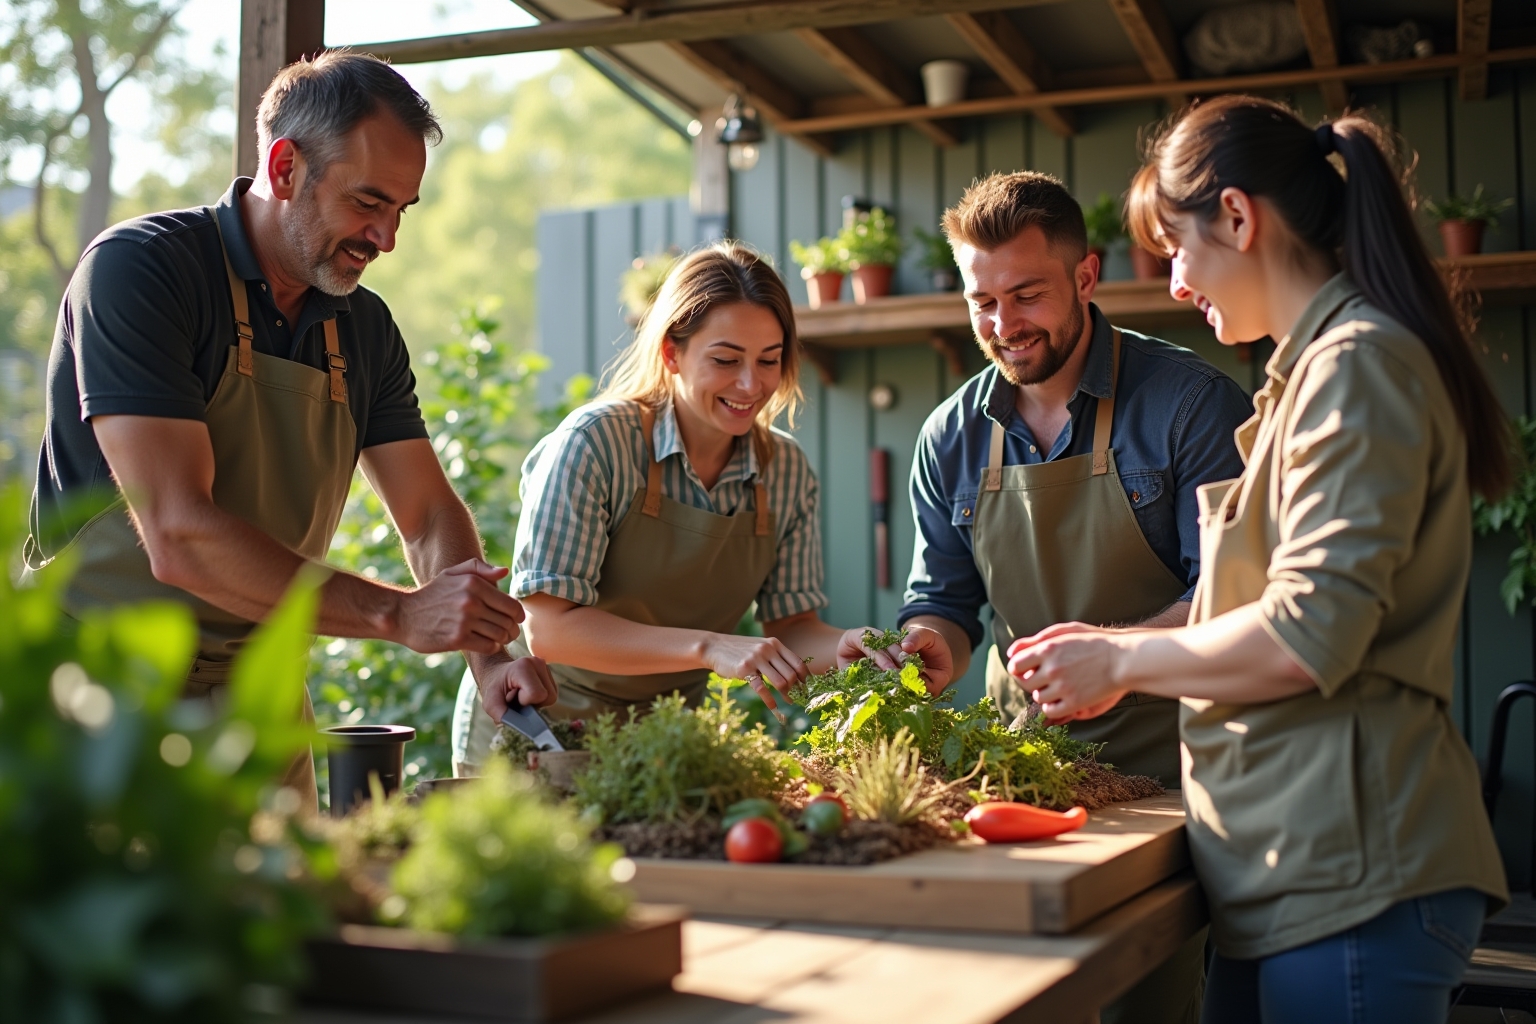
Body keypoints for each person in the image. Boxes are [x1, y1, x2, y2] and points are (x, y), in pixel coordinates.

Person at [1007, 96, 1510, 1023]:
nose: (1175, 286)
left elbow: (1306, 634)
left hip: (1353, 869)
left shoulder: (1358, 365)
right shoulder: (1302, 378)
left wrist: (1120, 659)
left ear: (1238, 217)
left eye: (1178, 252)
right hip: (1282, 870)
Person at [24, 51, 556, 812]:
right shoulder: (142, 272)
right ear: (284, 168)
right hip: (101, 696)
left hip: (260, 701)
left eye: (402, 209)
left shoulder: (363, 327)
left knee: (292, 925)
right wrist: (397, 614)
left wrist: (488, 653)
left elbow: (430, 513)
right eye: (369, 202)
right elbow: (180, 534)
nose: (387, 238)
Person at [892, 172, 1253, 1024]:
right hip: (1024, 781)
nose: (1002, 324)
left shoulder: (1189, 406)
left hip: (1178, 781)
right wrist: (929, 643)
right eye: (982, 300)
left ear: (1086, 277)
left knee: (1145, 1004)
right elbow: (942, 597)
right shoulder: (950, 434)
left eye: (1027, 294)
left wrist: (1122, 657)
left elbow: (1234, 597)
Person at [452, 243, 947, 772]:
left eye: (769, 360)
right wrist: (709, 647)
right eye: (726, 359)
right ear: (671, 353)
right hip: (538, 726)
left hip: (664, 741)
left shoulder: (785, 470)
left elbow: (796, 627)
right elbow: (549, 630)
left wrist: (849, 643)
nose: (751, 384)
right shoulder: (597, 443)